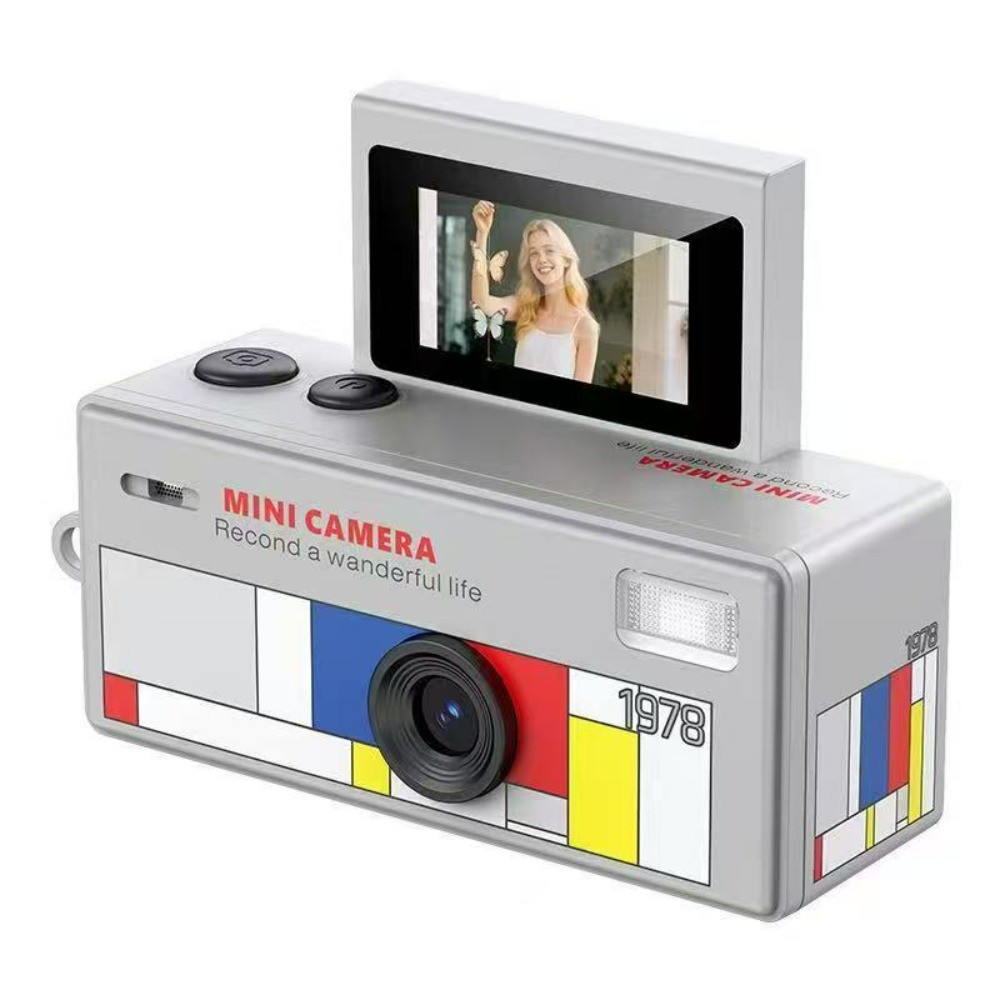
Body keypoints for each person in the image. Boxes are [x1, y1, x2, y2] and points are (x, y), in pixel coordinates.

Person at [470, 200, 599, 382]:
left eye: (549, 250)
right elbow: (483, 304)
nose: (541, 259)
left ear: (566, 260)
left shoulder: (586, 327)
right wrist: (482, 235)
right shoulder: (525, 307)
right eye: (534, 253)